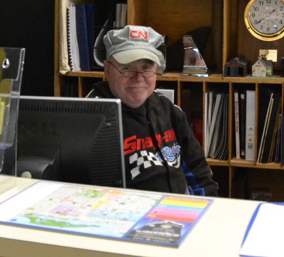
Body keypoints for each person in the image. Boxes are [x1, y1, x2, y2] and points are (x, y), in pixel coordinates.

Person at [87, 25, 218, 196]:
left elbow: (199, 172)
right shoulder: (89, 119)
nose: (139, 77)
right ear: (107, 70)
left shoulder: (169, 110)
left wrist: (210, 206)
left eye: (147, 67)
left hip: (180, 207)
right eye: (127, 68)